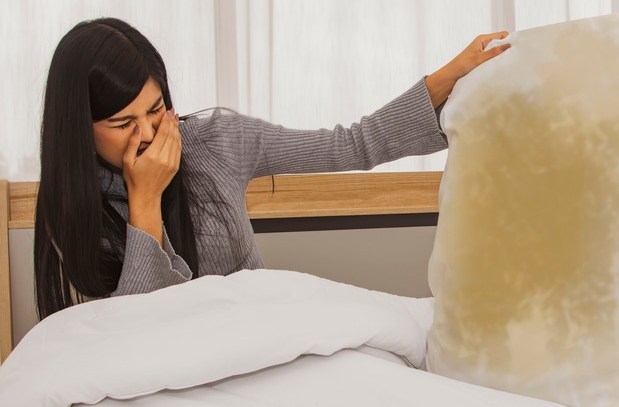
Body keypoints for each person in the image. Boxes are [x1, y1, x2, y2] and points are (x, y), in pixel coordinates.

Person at [34, 17, 510, 319]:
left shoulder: (217, 141)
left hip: (260, 346)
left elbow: (352, 144)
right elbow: (133, 338)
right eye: (122, 122)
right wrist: (145, 204)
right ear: (80, 127)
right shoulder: (72, 210)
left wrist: (443, 80)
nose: (148, 134)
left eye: (157, 109)